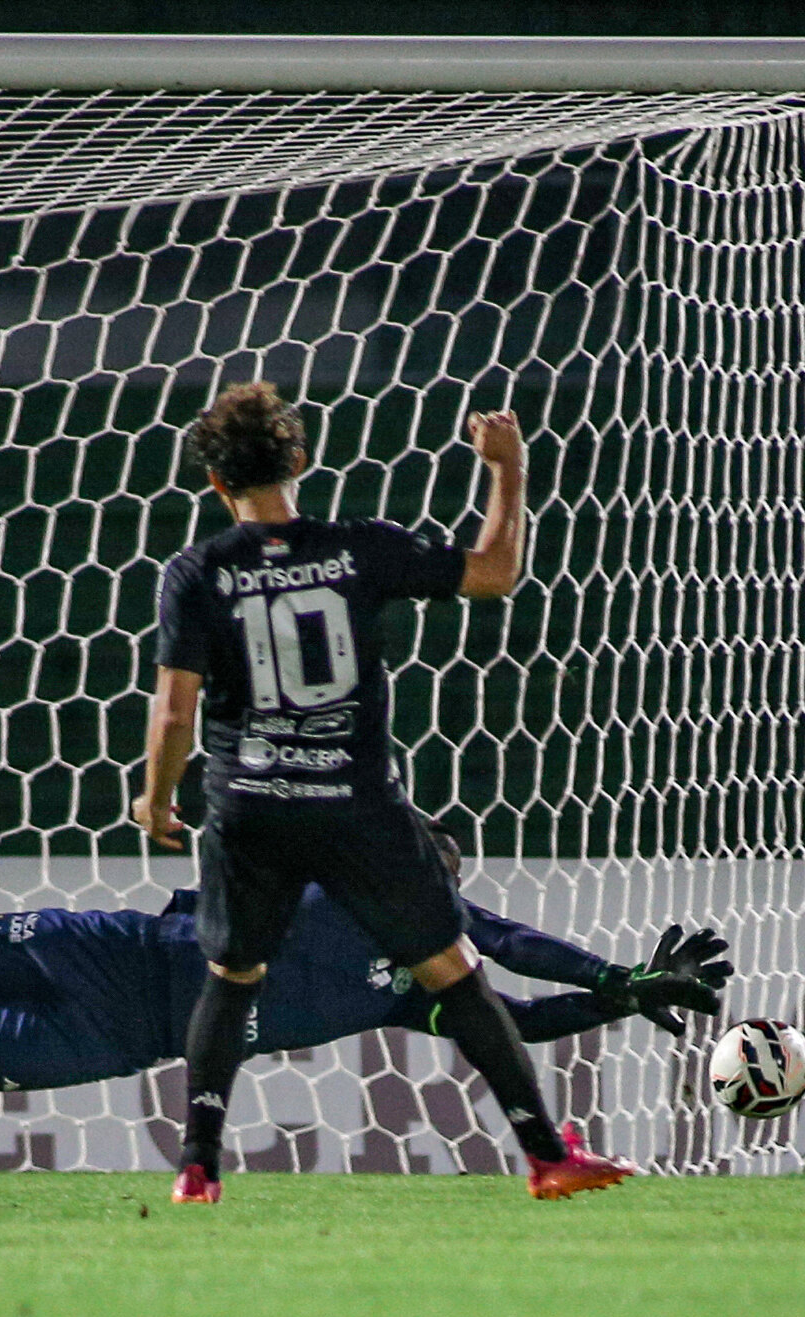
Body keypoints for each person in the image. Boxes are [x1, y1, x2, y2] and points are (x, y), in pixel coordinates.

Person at [132, 382, 637, 1202]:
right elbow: (495, 572)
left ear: (216, 481)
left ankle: (198, 1165)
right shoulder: (360, 548)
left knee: (232, 976)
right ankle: (547, 1155)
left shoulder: (196, 573)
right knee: (453, 972)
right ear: (299, 459)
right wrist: (506, 469)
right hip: (354, 806)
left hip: (250, 805)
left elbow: (174, 709)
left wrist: (156, 798)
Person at [0, 822, 733, 1154]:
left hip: (128, 1037)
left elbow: (521, 1011)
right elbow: (510, 941)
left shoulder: (416, 977)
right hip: (109, 952)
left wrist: (621, 991)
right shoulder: (324, 869)